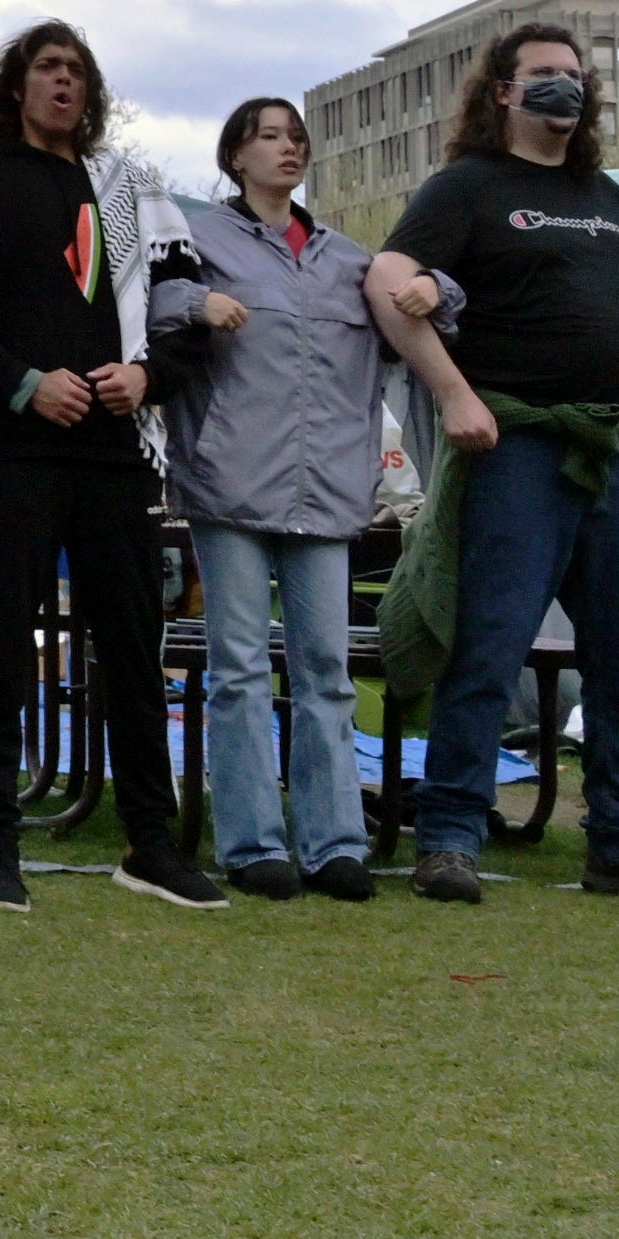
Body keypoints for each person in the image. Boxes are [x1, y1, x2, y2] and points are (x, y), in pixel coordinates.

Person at [368, 24, 619, 907]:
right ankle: (449, 834)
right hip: (518, 447)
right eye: (544, 76)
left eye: (575, 76)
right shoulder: (468, 187)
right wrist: (454, 395)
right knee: (488, 646)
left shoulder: (600, 192)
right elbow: (387, 278)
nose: (565, 89)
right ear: (502, 92)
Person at [0, 19, 215, 912]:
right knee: (2, 651)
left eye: (78, 71)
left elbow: (187, 313)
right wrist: (21, 382)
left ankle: (150, 844)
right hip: (20, 454)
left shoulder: (134, 193)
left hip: (117, 458)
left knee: (132, 654)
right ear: (17, 87)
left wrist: (148, 376)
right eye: (47, 68)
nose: (64, 83)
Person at [143, 94, 391, 902]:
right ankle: (253, 845)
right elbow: (145, 302)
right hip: (232, 484)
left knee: (326, 669)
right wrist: (196, 302)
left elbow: (424, 318)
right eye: (269, 136)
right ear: (235, 156)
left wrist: (434, 292)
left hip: (328, 490)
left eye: (296, 137)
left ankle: (336, 845)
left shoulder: (349, 259)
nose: (288, 149)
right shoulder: (198, 236)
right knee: (239, 668)